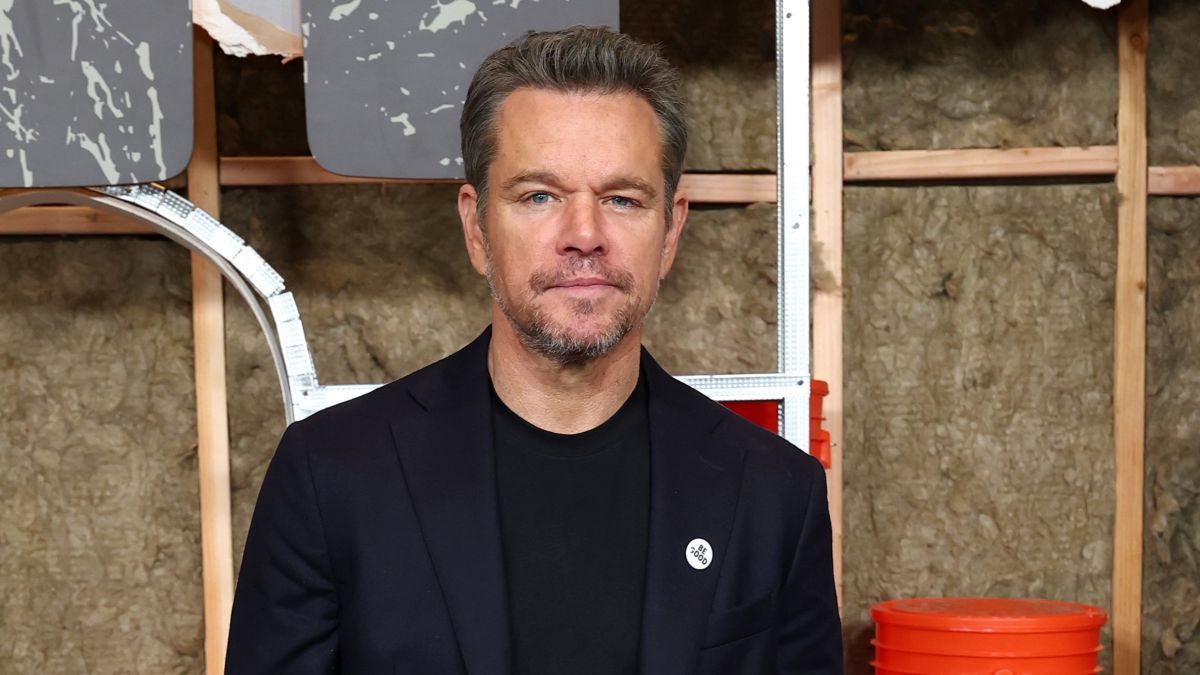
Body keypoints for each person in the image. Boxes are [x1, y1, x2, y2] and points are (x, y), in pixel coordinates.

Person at [225, 26, 842, 675]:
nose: (584, 234)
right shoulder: (330, 476)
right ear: (476, 226)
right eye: (539, 195)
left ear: (670, 232)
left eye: (622, 199)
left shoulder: (775, 494)